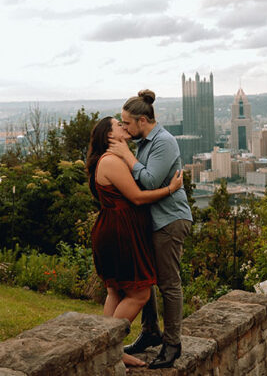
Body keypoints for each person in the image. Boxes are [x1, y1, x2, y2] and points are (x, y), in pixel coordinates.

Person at [86, 116, 184, 369]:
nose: (124, 127)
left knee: (116, 290)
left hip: (116, 230)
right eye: (119, 125)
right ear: (109, 136)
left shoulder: (113, 158)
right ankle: (108, 347)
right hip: (120, 234)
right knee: (139, 293)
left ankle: (109, 350)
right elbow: (138, 197)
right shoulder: (111, 161)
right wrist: (171, 189)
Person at [108, 89, 193, 370]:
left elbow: (149, 181)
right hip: (152, 221)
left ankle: (172, 343)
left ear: (142, 120)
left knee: (169, 283)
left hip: (169, 220)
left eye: (127, 123)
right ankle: (150, 332)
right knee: (146, 277)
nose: (124, 128)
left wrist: (125, 154)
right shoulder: (144, 142)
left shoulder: (164, 142)